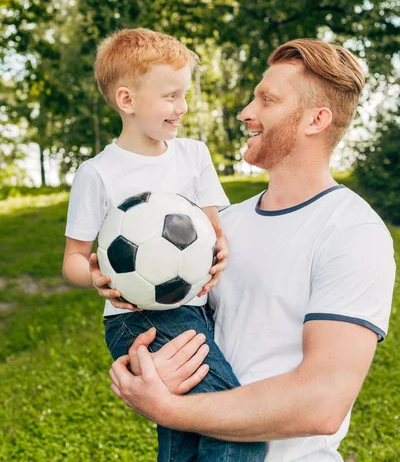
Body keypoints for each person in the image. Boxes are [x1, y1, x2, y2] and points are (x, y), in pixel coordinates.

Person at [109, 38, 396, 462]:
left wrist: (171, 410)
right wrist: (144, 361)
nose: (246, 112)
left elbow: (323, 402)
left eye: (267, 100)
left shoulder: (352, 231)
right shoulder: (217, 227)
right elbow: (187, 332)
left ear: (315, 119)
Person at [62, 28, 267, 462]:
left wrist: (221, 250)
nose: (183, 107)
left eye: (184, 94)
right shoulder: (98, 173)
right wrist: (96, 278)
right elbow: (74, 260)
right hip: (137, 321)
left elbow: (214, 228)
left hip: (196, 311)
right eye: (171, 96)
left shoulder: (193, 155)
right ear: (127, 101)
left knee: (187, 434)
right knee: (239, 426)